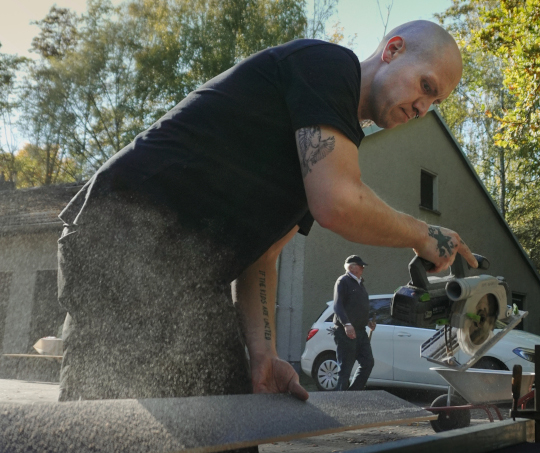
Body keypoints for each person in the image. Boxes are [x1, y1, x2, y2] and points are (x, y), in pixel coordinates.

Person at [56, 19, 478, 408]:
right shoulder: (328, 65)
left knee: (230, 426)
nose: (423, 107)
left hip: (192, 277)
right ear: (393, 49)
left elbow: (264, 255)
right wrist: (421, 233)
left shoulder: (327, 138)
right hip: (121, 238)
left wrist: (264, 355)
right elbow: (338, 204)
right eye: (425, 85)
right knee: (108, 424)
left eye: (434, 101)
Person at [332, 255, 376, 391]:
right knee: (345, 368)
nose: (363, 268)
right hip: (346, 332)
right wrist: (347, 324)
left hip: (360, 331)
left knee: (368, 362)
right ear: (351, 267)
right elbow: (338, 306)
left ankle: (353, 394)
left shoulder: (360, 283)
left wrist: (367, 321)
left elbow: (356, 306)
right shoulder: (343, 281)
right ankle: (340, 400)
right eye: (360, 265)